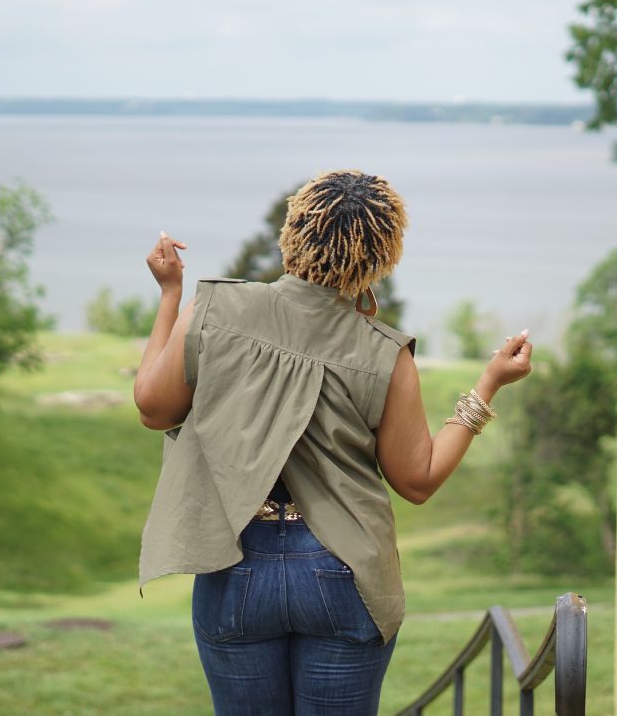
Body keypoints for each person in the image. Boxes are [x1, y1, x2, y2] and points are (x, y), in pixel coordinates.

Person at [132, 169, 534, 716]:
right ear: (381, 256)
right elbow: (416, 480)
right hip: (345, 570)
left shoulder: (214, 310)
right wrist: (488, 385)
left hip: (236, 564)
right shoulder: (385, 354)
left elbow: (154, 409)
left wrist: (170, 295)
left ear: (294, 230)